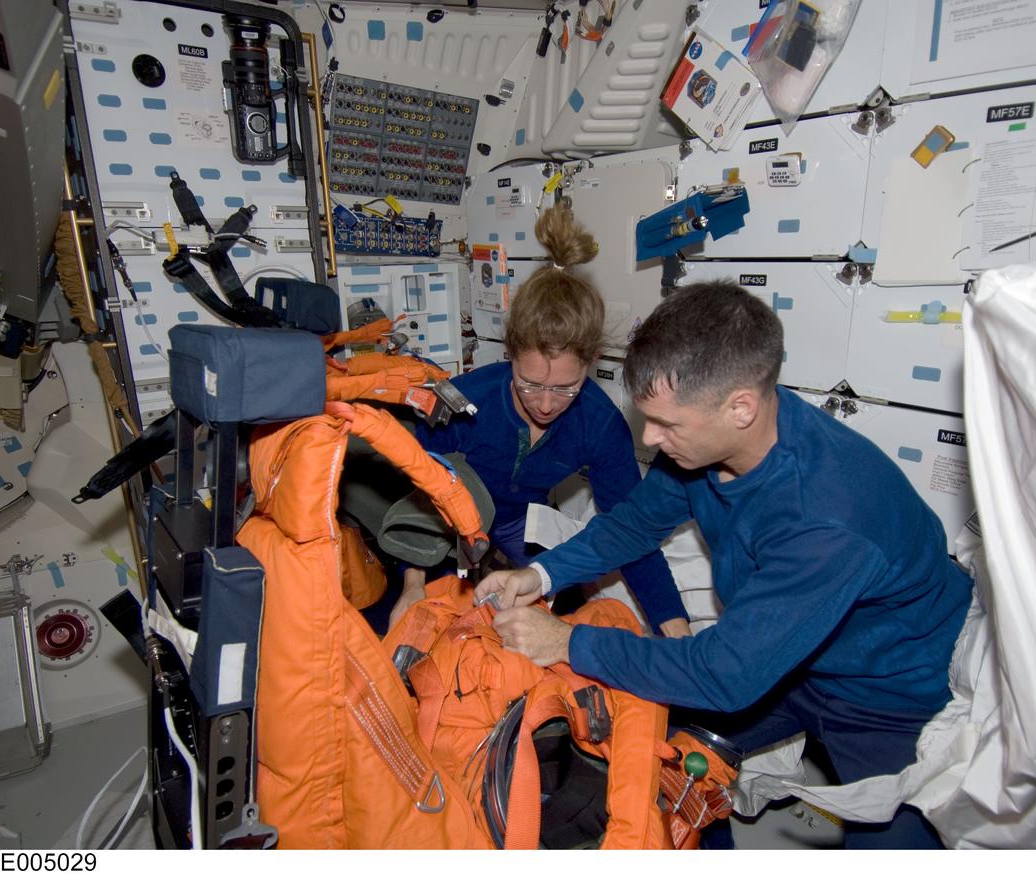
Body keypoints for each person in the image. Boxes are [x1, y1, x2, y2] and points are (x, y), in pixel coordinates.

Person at [476, 279, 973, 849]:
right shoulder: (708, 448)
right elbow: (633, 524)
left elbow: (724, 674)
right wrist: (540, 575)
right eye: (648, 419)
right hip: (791, 663)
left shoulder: (826, 516)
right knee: (652, 762)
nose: (651, 439)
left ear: (740, 408)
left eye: (668, 424)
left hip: (890, 697)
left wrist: (565, 641)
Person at [389, 204, 691, 639]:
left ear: (591, 362)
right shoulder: (463, 401)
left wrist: (674, 629)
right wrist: (412, 583)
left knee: (557, 612)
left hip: (518, 522)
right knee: (425, 620)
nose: (546, 405)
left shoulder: (599, 424)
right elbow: (417, 492)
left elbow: (631, 529)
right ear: (510, 353)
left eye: (566, 388)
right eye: (530, 384)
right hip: (444, 519)